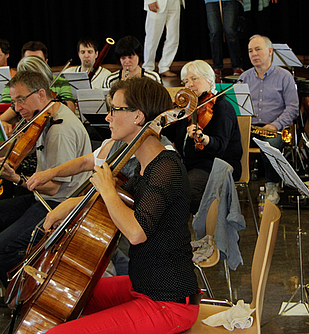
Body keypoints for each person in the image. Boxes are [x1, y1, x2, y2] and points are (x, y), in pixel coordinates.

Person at [44, 77, 200, 334]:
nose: (108, 117)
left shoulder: (166, 167)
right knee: (63, 294)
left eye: (115, 110)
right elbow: (110, 203)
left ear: (138, 116)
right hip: (143, 285)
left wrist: (106, 187)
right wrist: (65, 207)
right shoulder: (144, 166)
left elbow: (136, 232)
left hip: (169, 301)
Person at [0, 71, 91, 287]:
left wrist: (17, 179)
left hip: (58, 203)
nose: (16, 108)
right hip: (40, 197)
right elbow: (18, 149)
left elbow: (53, 188)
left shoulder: (59, 130)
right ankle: (15, 285)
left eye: (20, 99)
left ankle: (29, 293)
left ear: (42, 94)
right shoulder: (41, 117)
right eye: (13, 101)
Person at [163, 60, 242, 213]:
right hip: (190, 164)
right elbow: (170, 133)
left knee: (188, 191)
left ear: (210, 80)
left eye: (194, 79)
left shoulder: (222, 107)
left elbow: (220, 147)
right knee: (162, 185)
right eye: (186, 81)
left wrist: (204, 139)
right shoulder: (188, 107)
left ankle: (205, 227)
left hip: (217, 164)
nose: (189, 84)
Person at [239, 35, 299, 204]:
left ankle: (272, 184)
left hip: (275, 128)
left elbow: (293, 109)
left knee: (270, 145)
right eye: (250, 50)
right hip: (250, 127)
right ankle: (234, 182)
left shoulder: (284, 76)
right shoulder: (244, 77)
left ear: (270, 51)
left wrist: (275, 125)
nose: (253, 54)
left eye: (258, 49)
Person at [0, 55, 77, 131]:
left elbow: (70, 109)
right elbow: (1, 121)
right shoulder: (21, 102)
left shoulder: (54, 91)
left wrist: (53, 103)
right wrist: (4, 125)